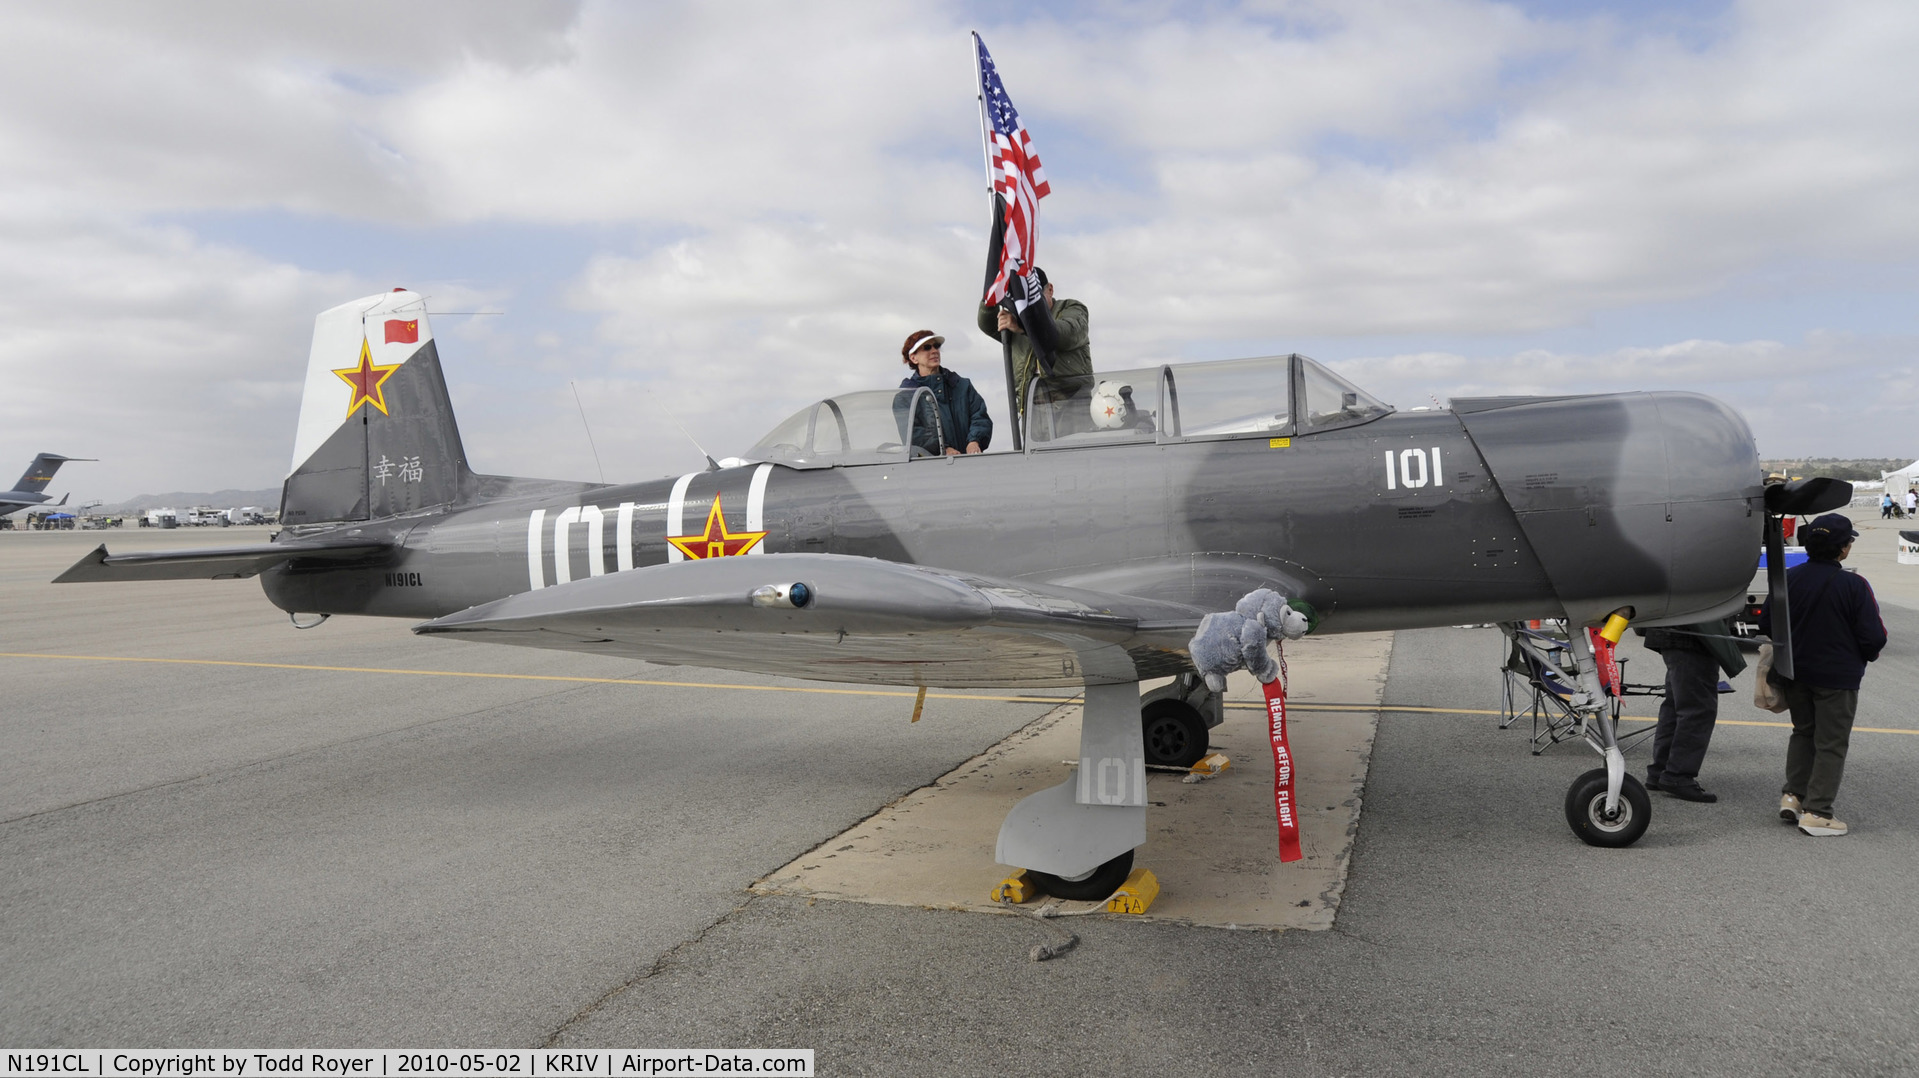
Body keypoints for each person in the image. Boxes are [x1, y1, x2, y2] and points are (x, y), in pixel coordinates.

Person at [1757, 513, 1887, 836]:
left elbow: (1766, 624)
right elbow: (1874, 637)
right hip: (1836, 677)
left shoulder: (1788, 578)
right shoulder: (1855, 586)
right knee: (1831, 742)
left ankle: (1793, 795)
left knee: (1803, 732)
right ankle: (1818, 811)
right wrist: (1863, 656)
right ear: (1843, 549)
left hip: (1795, 671)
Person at [1642, 617, 1747, 802]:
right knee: (1697, 709)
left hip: (1676, 631)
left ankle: (1661, 771)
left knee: (1675, 707)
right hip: (1693, 636)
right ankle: (1677, 775)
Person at [975, 266, 1093, 421]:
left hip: (1073, 410)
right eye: (1026, 300)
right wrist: (992, 294)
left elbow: (1067, 333)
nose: (1032, 306)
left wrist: (1025, 326)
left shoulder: (1072, 309)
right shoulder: (1017, 319)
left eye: (1036, 298)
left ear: (1050, 289)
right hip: (1033, 413)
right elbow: (987, 323)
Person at [897, 330, 990, 457]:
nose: (934, 350)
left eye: (936, 346)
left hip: (970, 465)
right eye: (927, 347)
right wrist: (943, 449)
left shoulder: (963, 386)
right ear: (913, 358)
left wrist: (974, 441)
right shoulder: (906, 396)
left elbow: (979, 416)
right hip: (932, 470)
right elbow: (914, 434)